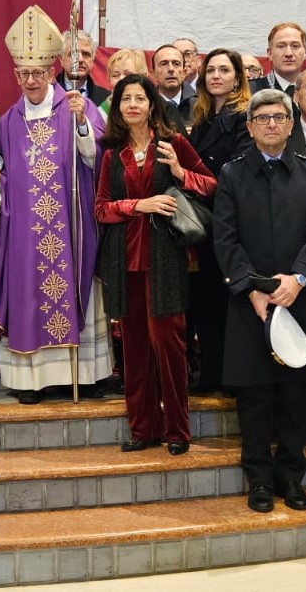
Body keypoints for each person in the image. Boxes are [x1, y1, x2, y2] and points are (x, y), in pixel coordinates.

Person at [214, 88, 306, 513]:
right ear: (249, 126)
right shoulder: (232, 174)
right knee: (255, 399)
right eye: (261, 118)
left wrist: (299, 279)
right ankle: (259, 481)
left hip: (298, 300)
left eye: (278, 117)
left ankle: (291, 479)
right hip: (250, 304)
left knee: (296, 398)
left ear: (289, 123)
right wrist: (250, 288)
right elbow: (225, 238)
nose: (270, 124)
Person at [0, 4, 112, 404]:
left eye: (38, 73)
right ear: (15, 75)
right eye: (23, 73)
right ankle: (33, 380)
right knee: (30, 293)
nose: (30, 80)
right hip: (27, 229)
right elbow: (7, 168)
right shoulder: (8, 120)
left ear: (52, 71)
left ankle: (86, 375)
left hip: (71, 225)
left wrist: (79, 123)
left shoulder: (78, 106)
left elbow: (97, 158)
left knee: (76, 291)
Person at [97, 74, 215, 454]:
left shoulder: (173, 143)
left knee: (169, 346)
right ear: (118, 108)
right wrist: (137, 206)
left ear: (152, 105)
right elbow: (101, 209)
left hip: (166, 260)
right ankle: (143, 428)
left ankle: (178, 431)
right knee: (134, 351)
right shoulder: (112, 153)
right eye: (125, 98)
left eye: (140, 98)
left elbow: (211, 185)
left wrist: (180, 173)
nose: (133, 104)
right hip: (126, 262)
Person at [185, 48, 253, 393]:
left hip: (227, 218)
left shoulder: (243, 116)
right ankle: (210, 371)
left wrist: (190, 178)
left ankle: (227, 376)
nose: (216, 76)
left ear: (237, 77)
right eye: (210, 69)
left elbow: (236, 171)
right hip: (201, 220)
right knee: (204, 301)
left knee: (225, 301)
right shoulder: (201, 116)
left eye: (224, 70)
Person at [58, 29, 111, 109]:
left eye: (86, 54)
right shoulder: (47, 95)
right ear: (61, 59)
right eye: (73, 54)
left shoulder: (106, 99)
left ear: (92, 60)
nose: (80, 60)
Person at [255, 22, 306, 96]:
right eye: (281, 46)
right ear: (270, 53)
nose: (288, 54)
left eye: (295, 46)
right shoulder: (252, 90)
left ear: (305, 52)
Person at [151, 44, 195, 129]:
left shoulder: (200, 107)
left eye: (176, 63)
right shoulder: (147, 107)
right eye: (164, 64)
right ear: (153, 75)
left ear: (184, 73)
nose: (171, 69)